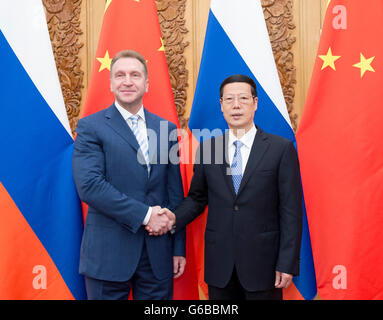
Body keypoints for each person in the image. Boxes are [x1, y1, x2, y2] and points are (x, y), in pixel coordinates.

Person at [153, 74, 302, 300]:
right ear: (221, 106)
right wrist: (172, 218)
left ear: (255, 103)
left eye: (243, 98)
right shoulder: (208, 149)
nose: (236, 105)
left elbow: (291, 211)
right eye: (229, 99)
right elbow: (196, 198)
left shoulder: (280, 149)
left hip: (265, 266)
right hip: (220, 266)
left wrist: (287, 262)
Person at [72, 49, 186, 300]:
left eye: (135, 75)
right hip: (108, 255)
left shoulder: (166, 129)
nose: (127, 81)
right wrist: (146, 216)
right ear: (111, 83)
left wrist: (178, 247)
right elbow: (89, 186)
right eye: (120, 75)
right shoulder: (91, 127)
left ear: (147, 84)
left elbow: (174, 192)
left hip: (157, 255)